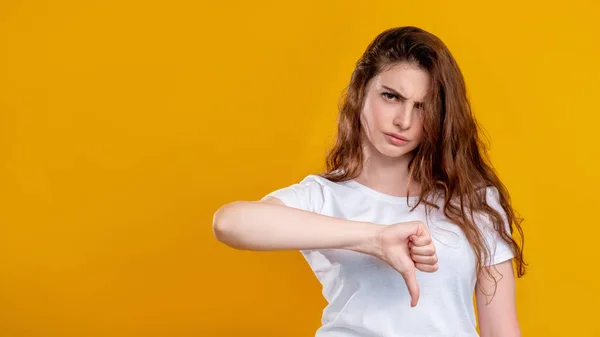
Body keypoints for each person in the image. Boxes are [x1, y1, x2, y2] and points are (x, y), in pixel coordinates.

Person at [212, 26, 526, 337]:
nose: (404, 121)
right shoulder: (325, 197)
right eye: (391, 96)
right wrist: (374, 239)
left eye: (422, 107)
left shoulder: (472, 202)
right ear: (361, 90)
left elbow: (501, 330)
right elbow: (230, 223)